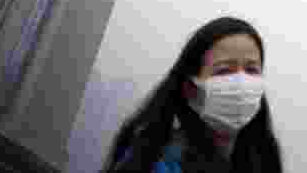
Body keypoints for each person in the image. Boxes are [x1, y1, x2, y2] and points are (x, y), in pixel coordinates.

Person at [102, 16, 284, 172]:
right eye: (224, 71)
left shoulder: (260, 158)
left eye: (251, 70)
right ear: (191, 89)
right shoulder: (154, 161)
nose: (241, 82)